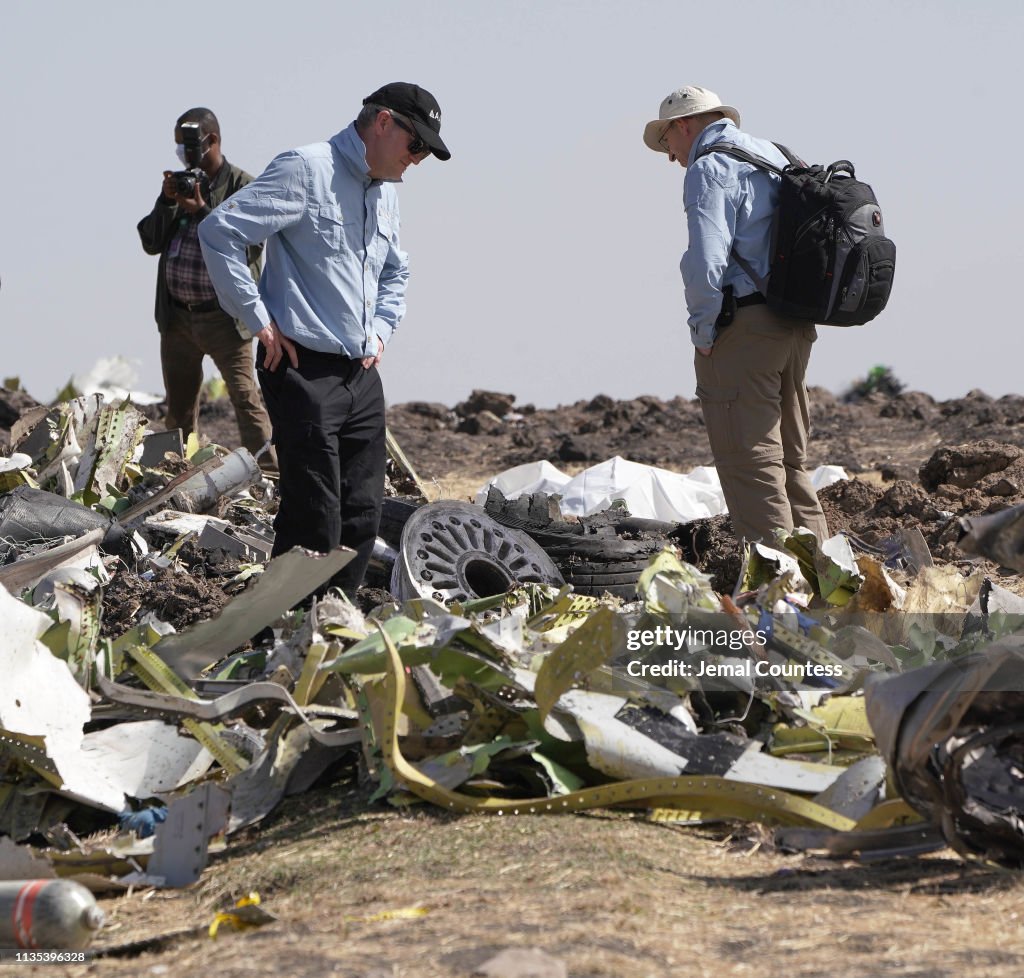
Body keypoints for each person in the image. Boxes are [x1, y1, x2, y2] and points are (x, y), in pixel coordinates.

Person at [199, 82, 451, 598]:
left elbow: (396, 274)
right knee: (315, 517)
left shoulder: (386, 194)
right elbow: (220, 231)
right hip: (300, 369)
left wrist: (380, 332)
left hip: (361, 374)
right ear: (383, 123)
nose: (417, 159)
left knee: (363, 514)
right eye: (416, 144)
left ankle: (333, 624)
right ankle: (287, 633)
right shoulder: (305, 169)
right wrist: (259, 321)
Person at [643, 85, 829, 547]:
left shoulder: (710, 167)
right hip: (795, 325)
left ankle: (779, 596)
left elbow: (706, 261)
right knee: (789, 462)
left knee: (750, 464)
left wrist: (703, 331)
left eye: (667, 143)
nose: (671, 156)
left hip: (744, 327)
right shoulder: (776, 155)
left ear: (683, 124)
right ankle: (828, 587)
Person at [137, 108, 276, 472]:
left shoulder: (243, 186)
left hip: (224, 318)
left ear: (212, 141)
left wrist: (202, 210)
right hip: (177, 318)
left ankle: (272, 477)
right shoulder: (183, 184)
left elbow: (250, 246)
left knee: (246, 400)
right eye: (180, 147)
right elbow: (151, 241)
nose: (185, 154)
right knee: (178, 408)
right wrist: (167, 201)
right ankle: (172, 477)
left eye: (190, 146)